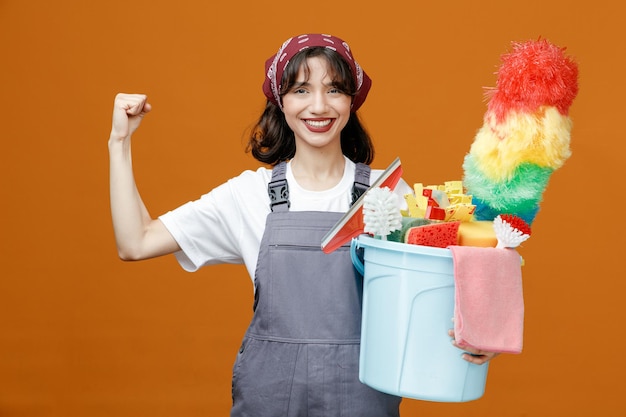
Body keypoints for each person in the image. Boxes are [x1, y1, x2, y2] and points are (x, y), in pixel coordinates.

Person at [108, 33, 497, 416]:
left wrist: (478, 331)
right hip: (269, 399)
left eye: (334, 90)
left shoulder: (387, 194)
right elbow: (136, 242)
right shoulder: (250, 195)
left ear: (351, 100)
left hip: (364, 399)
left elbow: (437, 287)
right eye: (300, 90)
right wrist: (118, 142)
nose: (318, 106)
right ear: (280, 101)